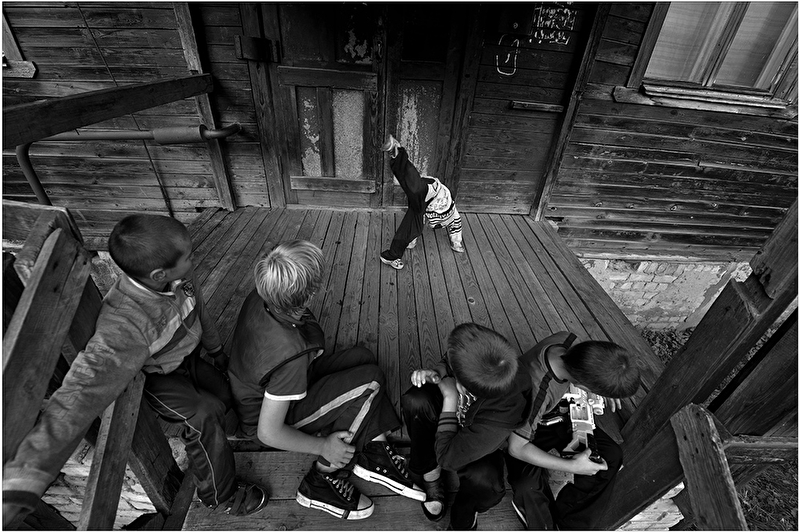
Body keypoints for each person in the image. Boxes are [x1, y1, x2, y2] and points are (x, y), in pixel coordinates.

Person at [2, 214, 268, 526]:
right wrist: (27, 475)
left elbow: (201, 311)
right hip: (158, 379)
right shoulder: (125, 323)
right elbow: (80, 392)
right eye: (189, 256)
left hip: (188, 358)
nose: (194, 259)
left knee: (224, 393)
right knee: (204, 414)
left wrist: (217, 351)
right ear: (158, 274)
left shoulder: (178, 277)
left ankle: (215, 444)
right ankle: (219, 496)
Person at [227, 240, 425, 520]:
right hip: (269, 415)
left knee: (363, 358)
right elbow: (267, 433)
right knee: (371, 382)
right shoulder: (290, 356)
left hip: (279, 384)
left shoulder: (264, 295)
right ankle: (321, 478)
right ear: (309, 295)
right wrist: (323, 446)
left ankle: (375, 450)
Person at [401, 323, 533, 530]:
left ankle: (464, 515)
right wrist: (437, 372)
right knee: (416, 401)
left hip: (477, 438)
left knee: (485, 483)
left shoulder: (503, 414)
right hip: (461, 410)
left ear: (465, 384)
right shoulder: (484, 358)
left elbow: (447, 457)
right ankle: (431, 475)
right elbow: (449, 359)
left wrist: (450, 397)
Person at [506, 332, 641, 530]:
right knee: (527, 486)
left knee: (611, 456)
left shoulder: (567, 342)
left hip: (560, 414)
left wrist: (606, 383)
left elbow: (597, 364)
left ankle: (570, 524)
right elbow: (516, 448)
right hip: (524, 429)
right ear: (582, 385)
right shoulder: (538, 391)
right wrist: (572, 467)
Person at [379, 134, 464, 270]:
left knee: (412, 227)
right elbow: (456, 226)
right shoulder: (451, 211)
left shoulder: (437, 216)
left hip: (423, 203)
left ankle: (391, 256)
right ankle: (397, 151)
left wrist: (456, 243)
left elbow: (423, 223)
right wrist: (457, 244)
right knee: (415, 186)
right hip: (431, 191)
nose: (432, 223)